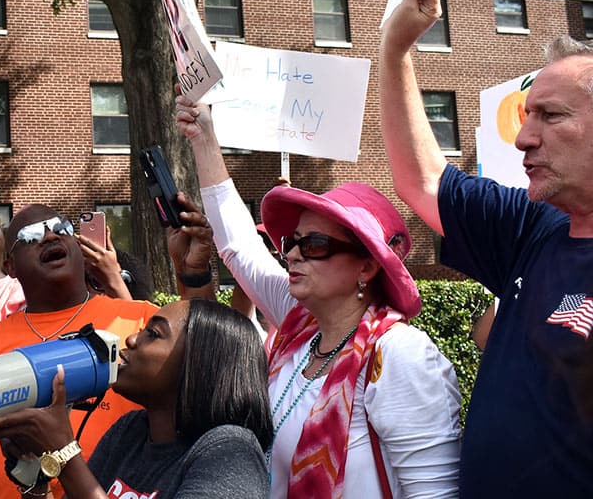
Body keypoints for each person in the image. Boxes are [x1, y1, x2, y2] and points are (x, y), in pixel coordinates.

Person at [176, 95, 461, 497]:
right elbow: (239, 246)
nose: (291, 253)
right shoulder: (299, 327)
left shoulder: (400, 355)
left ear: (367, 267)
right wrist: (203, 137)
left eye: (315, 244)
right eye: (292, 242)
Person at [379, 0, 593, 494]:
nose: (523, 137)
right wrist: (394, 48)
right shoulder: (532, 227)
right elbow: (423, 180)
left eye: (551, 115)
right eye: (525, 115)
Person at [0, 205, 160, 499]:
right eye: (31, 235)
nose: (49, 236)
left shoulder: (143, 324)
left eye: (62, 229)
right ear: (10, 266)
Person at [0, 299, 272, 498]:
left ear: (200, 363)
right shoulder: (130, 431)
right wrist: (35, 476)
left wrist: (64, 452)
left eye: (153, 334)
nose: (131, 340)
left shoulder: (231, 451)